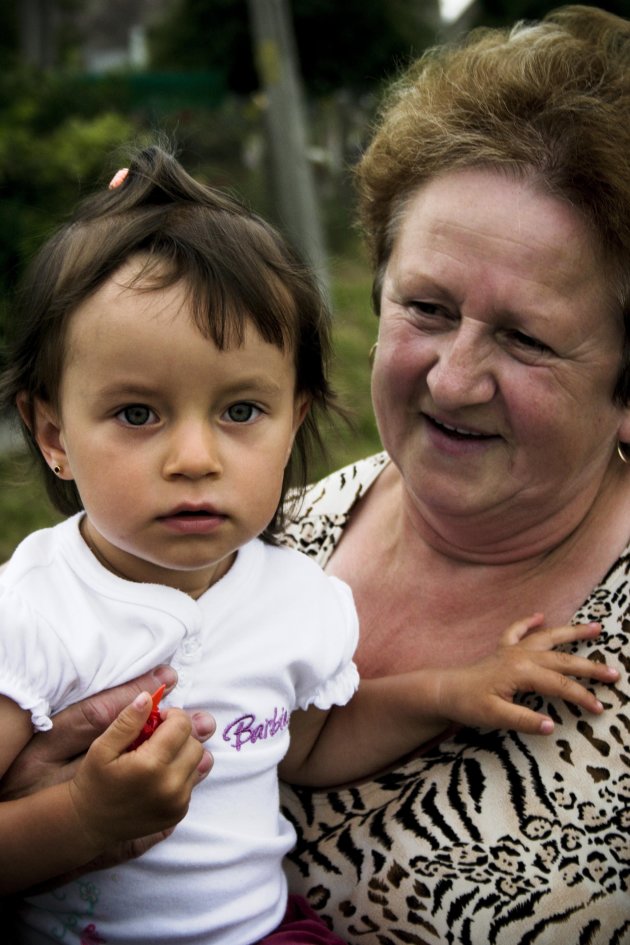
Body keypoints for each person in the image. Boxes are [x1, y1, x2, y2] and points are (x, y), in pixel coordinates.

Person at [2, 3, 629, 941]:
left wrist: (462, 685)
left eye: (526, 336)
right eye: (426, 305)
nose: (453, 377)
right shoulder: (246, 531)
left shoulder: (278, 589)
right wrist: (63, 823)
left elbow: (314, 733)